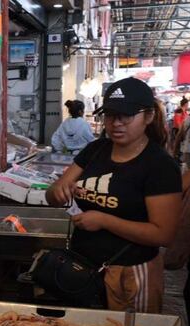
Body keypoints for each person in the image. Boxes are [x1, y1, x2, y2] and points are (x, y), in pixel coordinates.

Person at [46, 77, 182, 313]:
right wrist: (56, 192)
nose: (116, 123)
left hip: (132, 274)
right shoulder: (96, 150)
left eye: (126, 116)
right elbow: (55, 192)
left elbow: (164, 234)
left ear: (148, 117)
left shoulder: (159, 166)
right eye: (110, 115)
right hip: (84, 267)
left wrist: (104, 220)